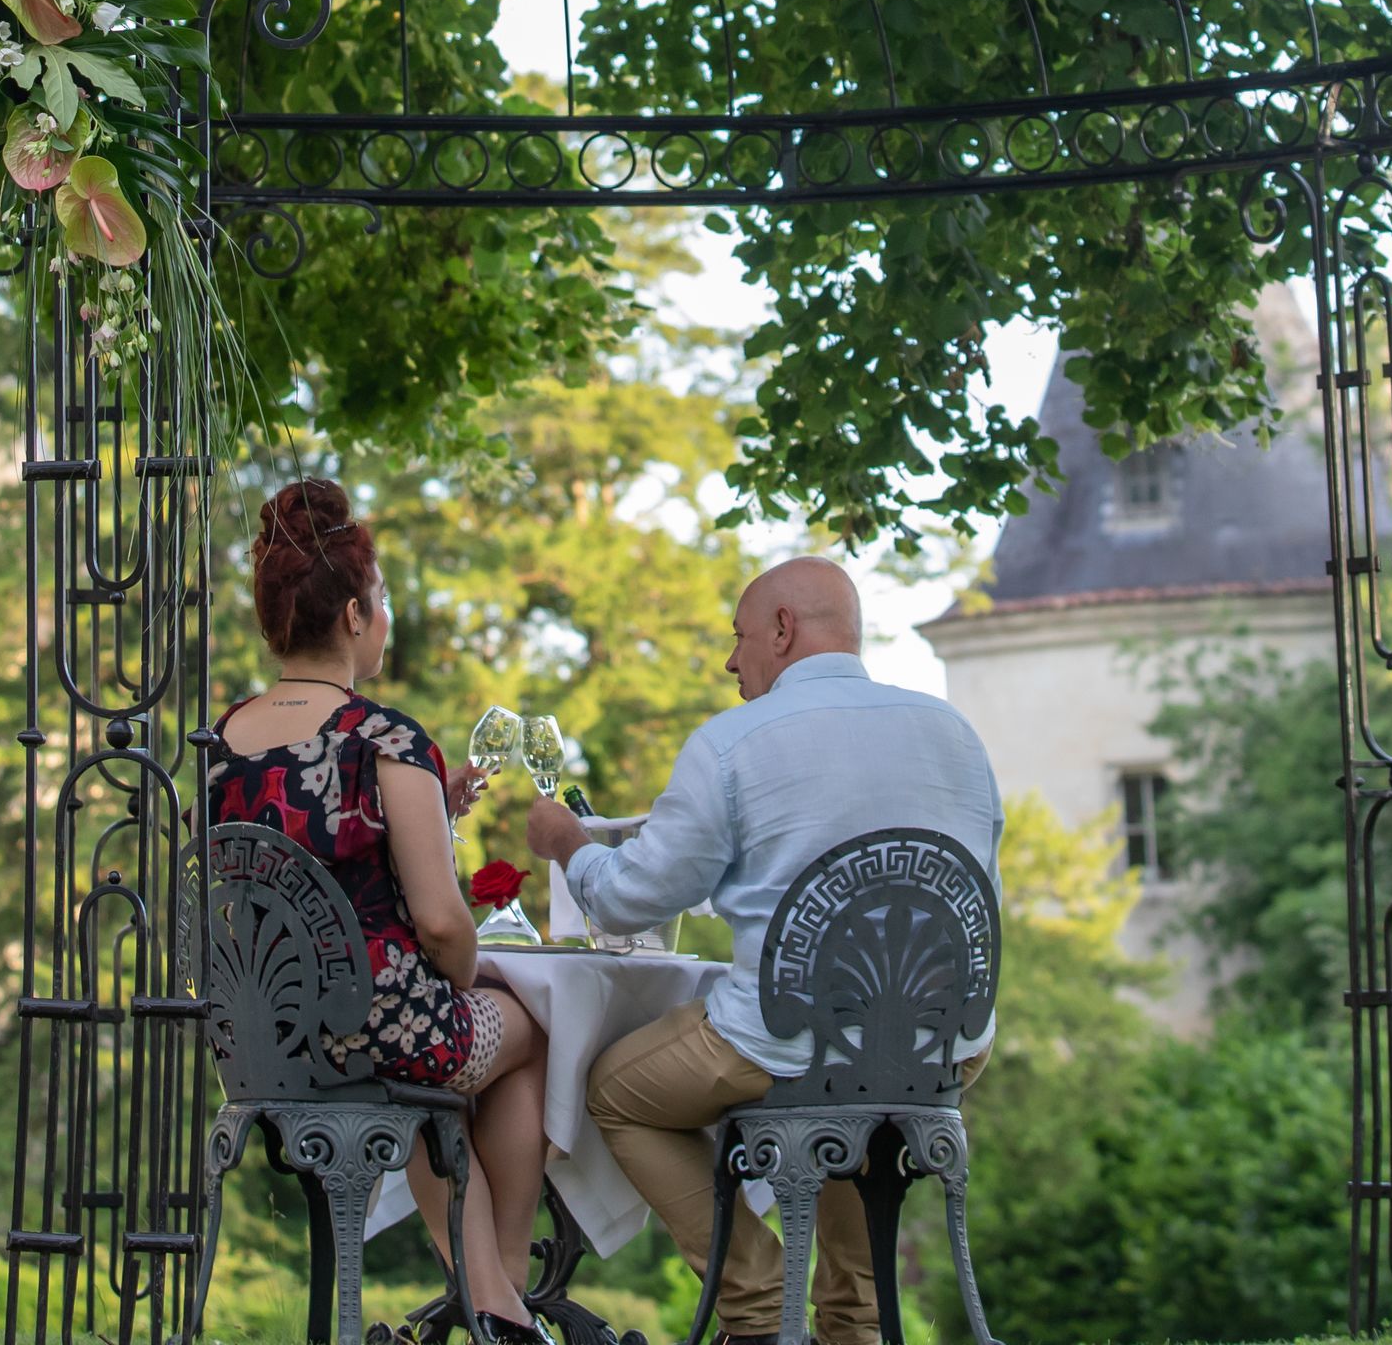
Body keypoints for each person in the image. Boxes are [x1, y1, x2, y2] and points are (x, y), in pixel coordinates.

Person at [522, 557, 1000, 1345]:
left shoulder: (733, 743)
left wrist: (570, 846)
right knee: (855, 1084)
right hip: (945, 1041)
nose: (730, 661)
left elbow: (628, 897)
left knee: (613, 1090)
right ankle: (859, 1324)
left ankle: (757, 1310)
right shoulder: (955, 734)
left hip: (789, 1039)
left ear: (782, 630)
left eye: (739, 638)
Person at [210, 478, 553, 1341]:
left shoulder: (218, 743)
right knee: (533, 1028)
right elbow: (441, 924)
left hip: (263, 1035)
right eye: (384, 599)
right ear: (357, 616)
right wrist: (464, 974)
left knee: (443, 1084)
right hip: (380, 1032)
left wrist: (431, 807)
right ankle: (506, 1295)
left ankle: (487, 1304)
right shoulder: (385, 739)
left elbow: (295, 862)